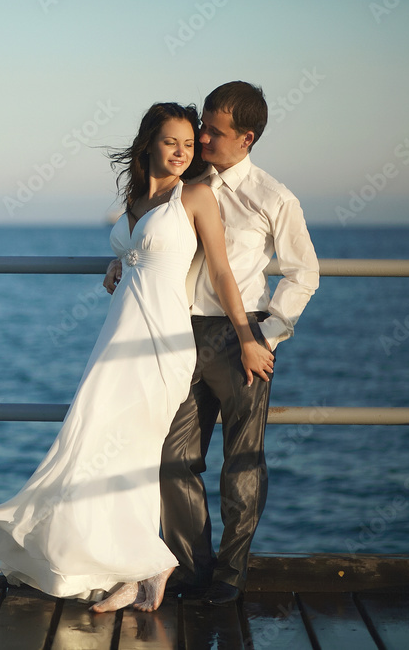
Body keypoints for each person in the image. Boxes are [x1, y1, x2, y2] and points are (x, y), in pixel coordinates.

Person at [0, 102, 274, 613]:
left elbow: (224, 274)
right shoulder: (139, 197)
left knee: (133, 451)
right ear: (150, 144)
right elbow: (143, 246)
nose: (183, 152)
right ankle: (134, 565)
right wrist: (119, 259)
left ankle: (150, 562)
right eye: (172, 142)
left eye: (190, 144)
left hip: (160, 344)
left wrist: (248, 336)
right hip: (116, 337)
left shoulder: (197, 195)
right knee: (99, 443)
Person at [104, 82, 319, 606]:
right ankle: (190, 570)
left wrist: (263, 336)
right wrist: (122, 259)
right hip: (178, 332)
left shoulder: (274, 197)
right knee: (175, 458)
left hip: (241, 334)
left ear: (246, 138)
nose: (200, 138)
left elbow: (304, 273)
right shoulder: (187, 182)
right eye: (201, 128)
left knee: (242, 459)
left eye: (213, 132)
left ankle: (229, 576)